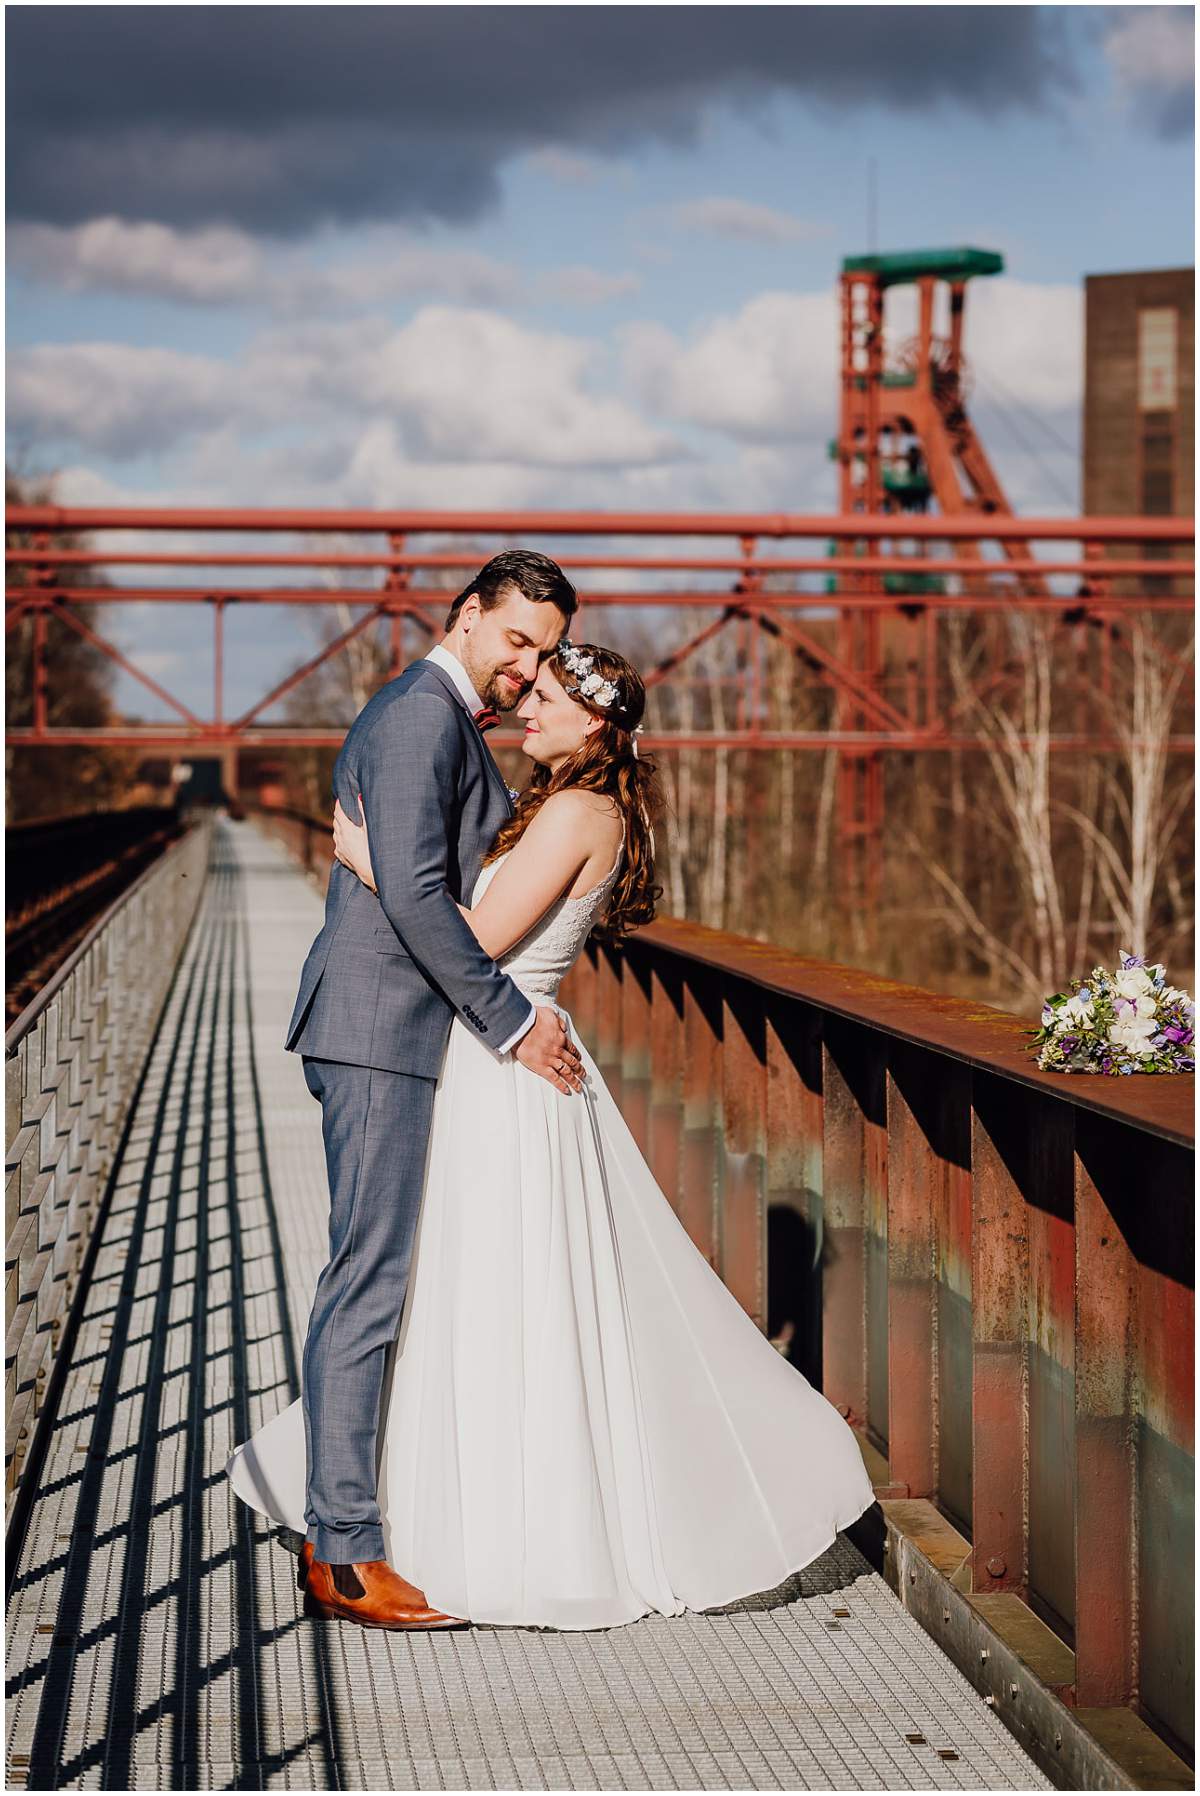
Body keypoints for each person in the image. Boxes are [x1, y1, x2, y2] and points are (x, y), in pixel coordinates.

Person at [227, 631, 879, 1632]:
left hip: (509, 1066)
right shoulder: (553, 802)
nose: (525, 705)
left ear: (596, 722)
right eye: (526, 689)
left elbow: (477, 941)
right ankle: (418, 1511)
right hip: (497, 1055)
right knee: (467, 1288)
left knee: (493, 1293)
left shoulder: (578, 808)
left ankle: (488, 1527)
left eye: (546, 699)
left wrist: (372, 864)